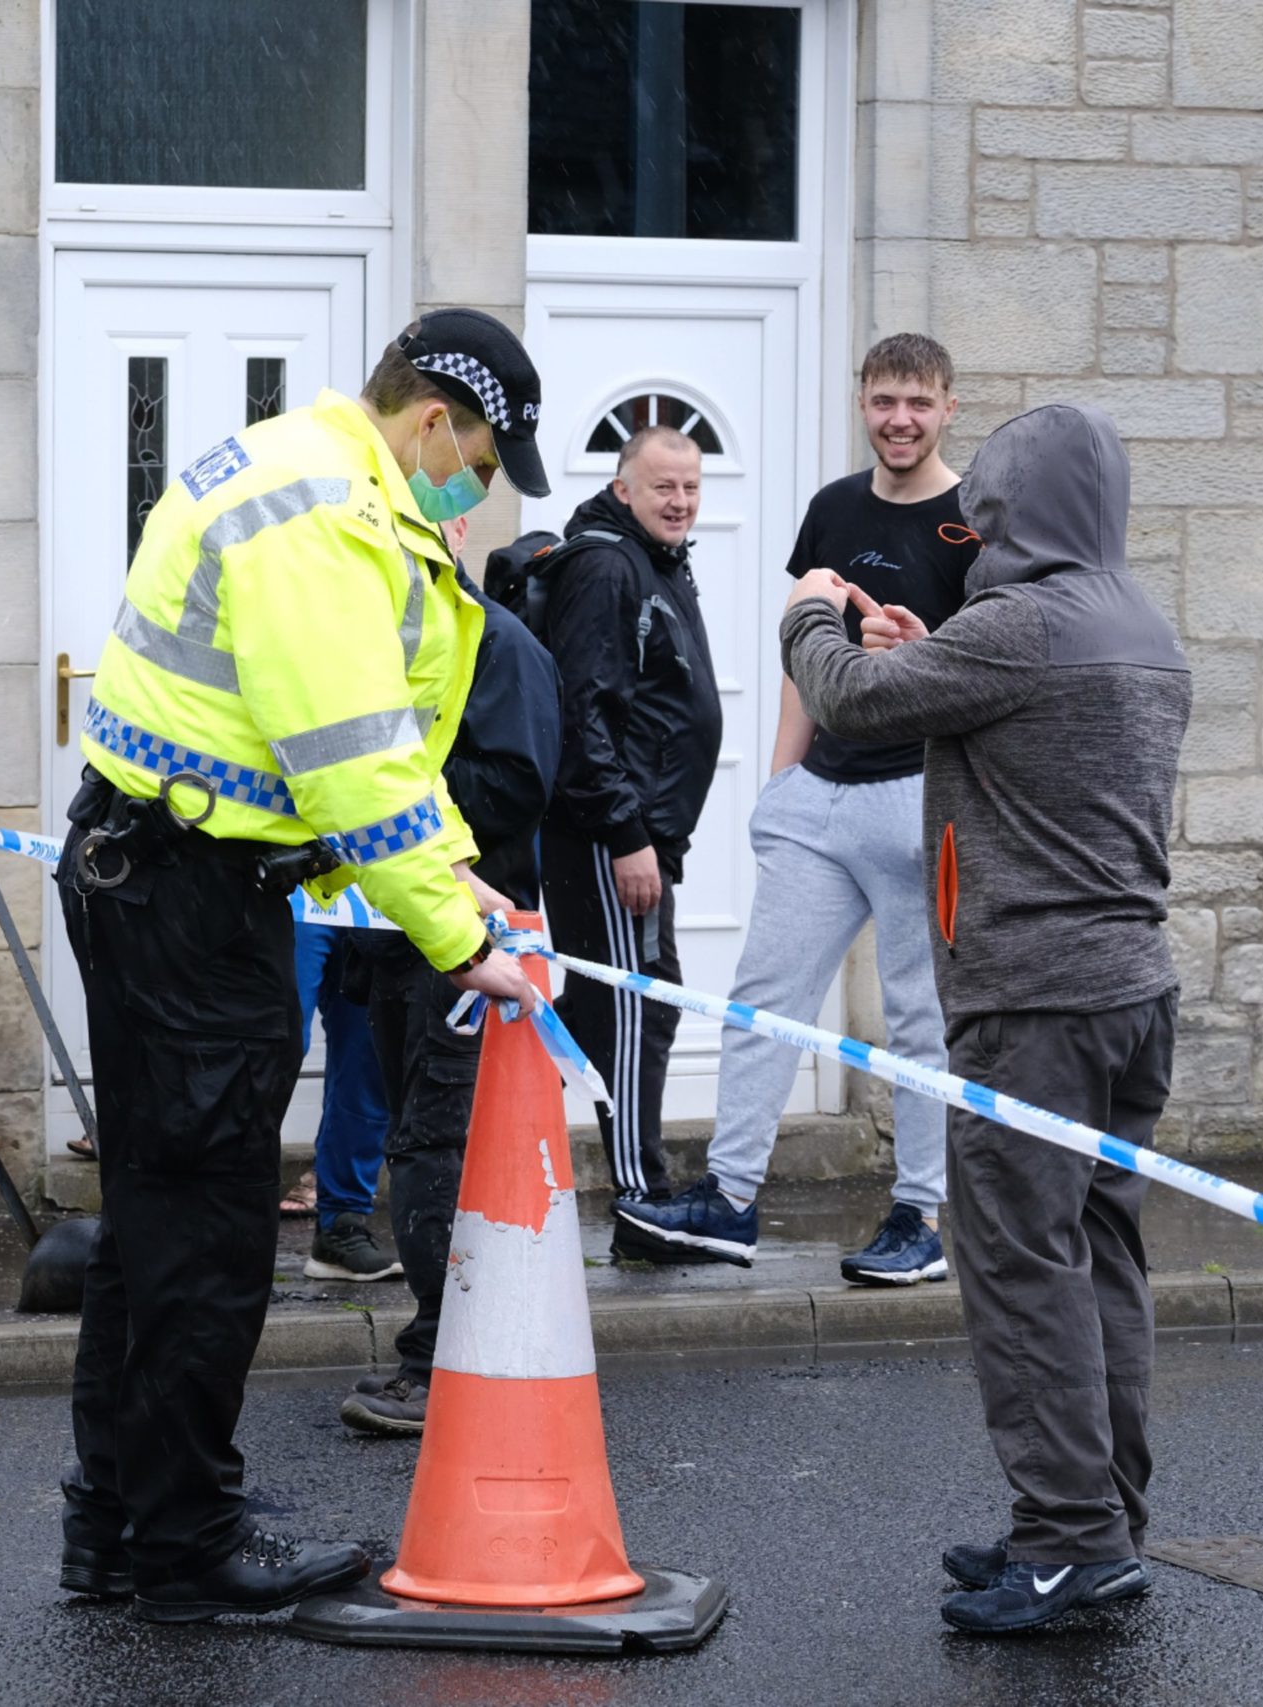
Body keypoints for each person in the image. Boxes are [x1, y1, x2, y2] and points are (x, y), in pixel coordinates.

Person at [55, 310, 551, 1623]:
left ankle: (126, 1519)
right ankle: (185, 1544)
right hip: (188, 899)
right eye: (488, 456)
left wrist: (457, 876)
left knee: (157, 1225)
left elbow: (368, 753)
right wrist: (464, 936)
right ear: (436, 419)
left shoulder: (304, 465)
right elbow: (354, 755)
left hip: (170, 880)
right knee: (209, 1236)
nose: (485, 488)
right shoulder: (330, 514)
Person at [782, 402, 1191, 1636]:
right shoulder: (1136, 624)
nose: (975, 536)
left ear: (1017, 515)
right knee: (1100, 1254)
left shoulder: (1020, 626)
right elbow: (988, 700)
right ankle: (1093, 1519)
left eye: (986, 519)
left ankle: (1067, 1543)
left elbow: (848, 701)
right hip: (1130, 996)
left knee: (1019, 1267)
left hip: (1032, 1003)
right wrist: (929, 645)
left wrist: (814, 608)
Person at [615, 335, 978, 1278]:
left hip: (919, 798)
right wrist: (782, 783)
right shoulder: (834, 509)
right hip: (820, 798)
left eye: (918, 403)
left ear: (947, 408)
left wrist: (923, 648)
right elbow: (801, 652)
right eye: (884, 399)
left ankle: (921, 1220)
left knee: (918, 1019)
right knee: (763, 998)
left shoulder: (975, 522)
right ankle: (731, 1198)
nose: (900, 419)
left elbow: (987, 669)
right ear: (861, 400)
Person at [341, 512, 562, 1436]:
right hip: (400, 936)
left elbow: (516, 781)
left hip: (470, 943)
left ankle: (442, 1361)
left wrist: (401, 796)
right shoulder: (379, 647)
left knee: (437, 1144)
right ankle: (455, 1347)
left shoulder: (498, 646)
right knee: (417, 1138)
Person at [536, 427, 722, 1222]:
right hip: (609, 839)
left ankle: (535, 1144)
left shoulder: (655, 560)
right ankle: (641, 1198)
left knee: (616, 1005)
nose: (679, 503)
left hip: (640, 838)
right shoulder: (608, 565)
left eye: (690, 489)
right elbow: (585, 715)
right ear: (624, 489)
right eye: (662, 489)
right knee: (633, 1009)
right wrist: (626, 835)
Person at [291, 922, 403, 1281]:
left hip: (370, 892)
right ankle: (222, 1227)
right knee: (270, 1047)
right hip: (285, 889)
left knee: (369, 1057)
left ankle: (341, 1225)